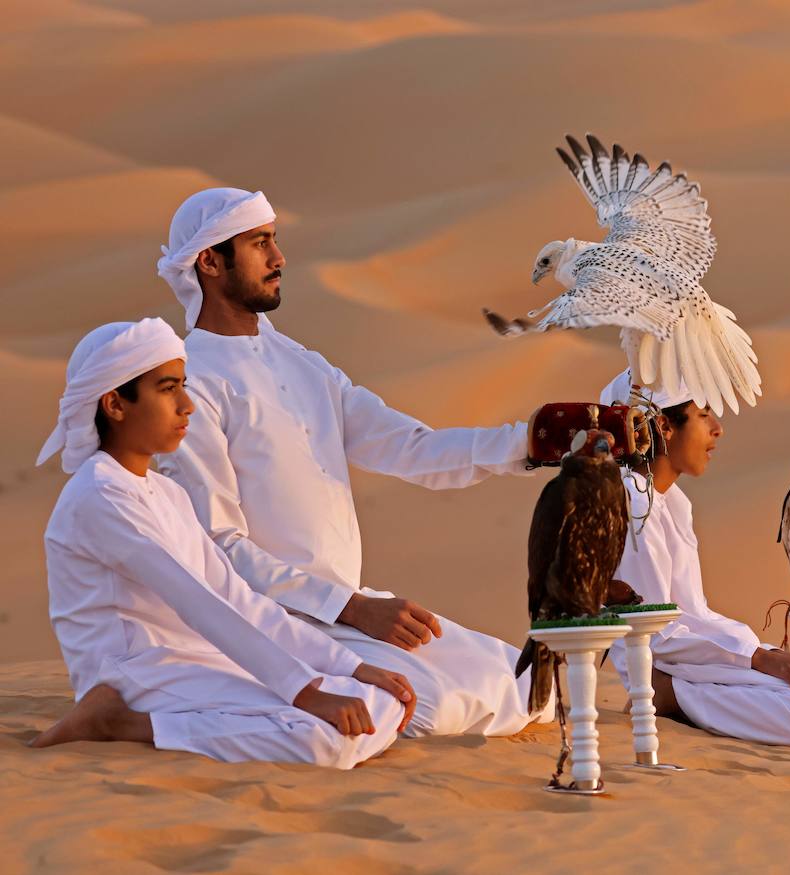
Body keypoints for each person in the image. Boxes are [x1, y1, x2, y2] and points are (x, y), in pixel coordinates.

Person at [154, 188, 549, 737]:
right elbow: (218, 548)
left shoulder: (306, 365)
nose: (279, 258)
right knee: (427, 709)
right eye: (260, 243)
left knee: (534, 689)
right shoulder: (190, 383)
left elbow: (412, 448)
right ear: (210, 262)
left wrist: (533, 443)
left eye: (275, 240)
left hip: (349, 614)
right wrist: (351, 607)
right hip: (274, 623)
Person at [32, 318, 414, 768]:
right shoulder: (100, 497)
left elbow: (234, 595)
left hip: (196, 661)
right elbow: (198, 602)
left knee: (376, 700)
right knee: (327, 742)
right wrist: (307, 693)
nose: (188, 406)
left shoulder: (166, 492)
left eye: (184, 387)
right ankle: (120, 723)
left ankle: (163, 721)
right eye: (168, 389)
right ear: (115, 404)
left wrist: (348, 667)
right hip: (136, 674)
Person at [602, 370, 790, 754]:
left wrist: (765, 655)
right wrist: (753, 658)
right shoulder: (635, 504)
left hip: (703, 666)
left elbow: (695, 613)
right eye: (704, 414)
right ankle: (673, 704)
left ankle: (706, 698)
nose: (717, 429)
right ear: (663, 426)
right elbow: (656, 635)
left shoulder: (673, 503)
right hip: (668, 675)